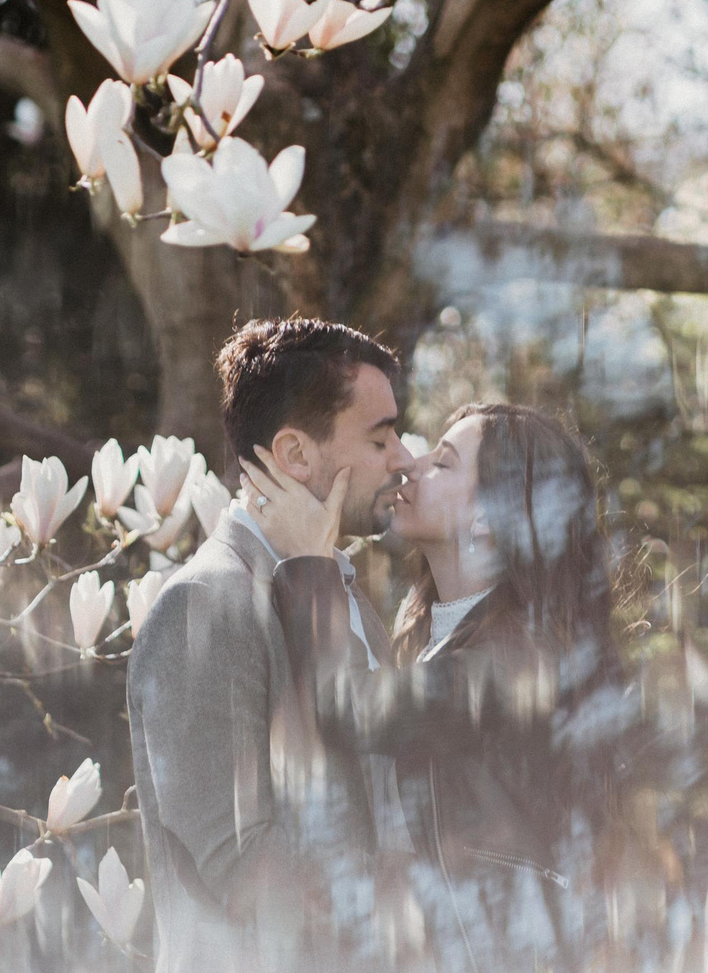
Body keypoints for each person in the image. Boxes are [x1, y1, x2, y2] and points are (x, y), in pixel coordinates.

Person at [244, 403, 628, 963]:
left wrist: (309, 561)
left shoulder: (523, 660)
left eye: (443, 464)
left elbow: (351, 709)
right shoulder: (435, 640)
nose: (411, 464)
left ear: (490, 518)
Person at [127, 318, 415, 971]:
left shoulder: (348, 592)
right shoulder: (206, 604)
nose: (401, 457)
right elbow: (244, 871)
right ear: (295, 456)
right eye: (380, 437)